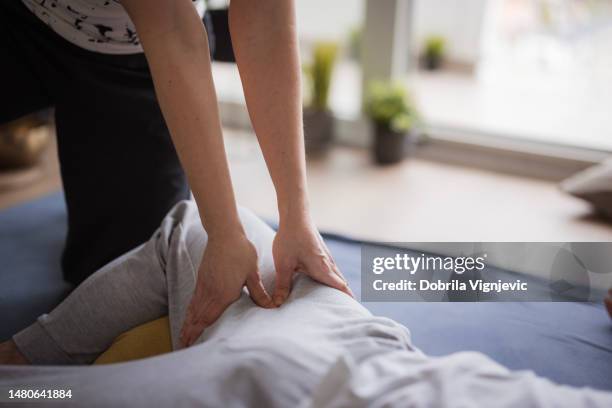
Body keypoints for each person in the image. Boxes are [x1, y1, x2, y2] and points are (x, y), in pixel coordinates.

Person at [1, 200, 611, 407]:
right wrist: (294, 219)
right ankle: (25, 359)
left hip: (283, 387)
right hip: (357, 354)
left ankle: (23, 370)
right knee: (205, 223)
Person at [0, 0, 349, 343]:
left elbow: (266, 18)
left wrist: (295, 217)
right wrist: (225, 233)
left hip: (126, 51)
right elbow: (170, 24)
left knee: (123, 290)